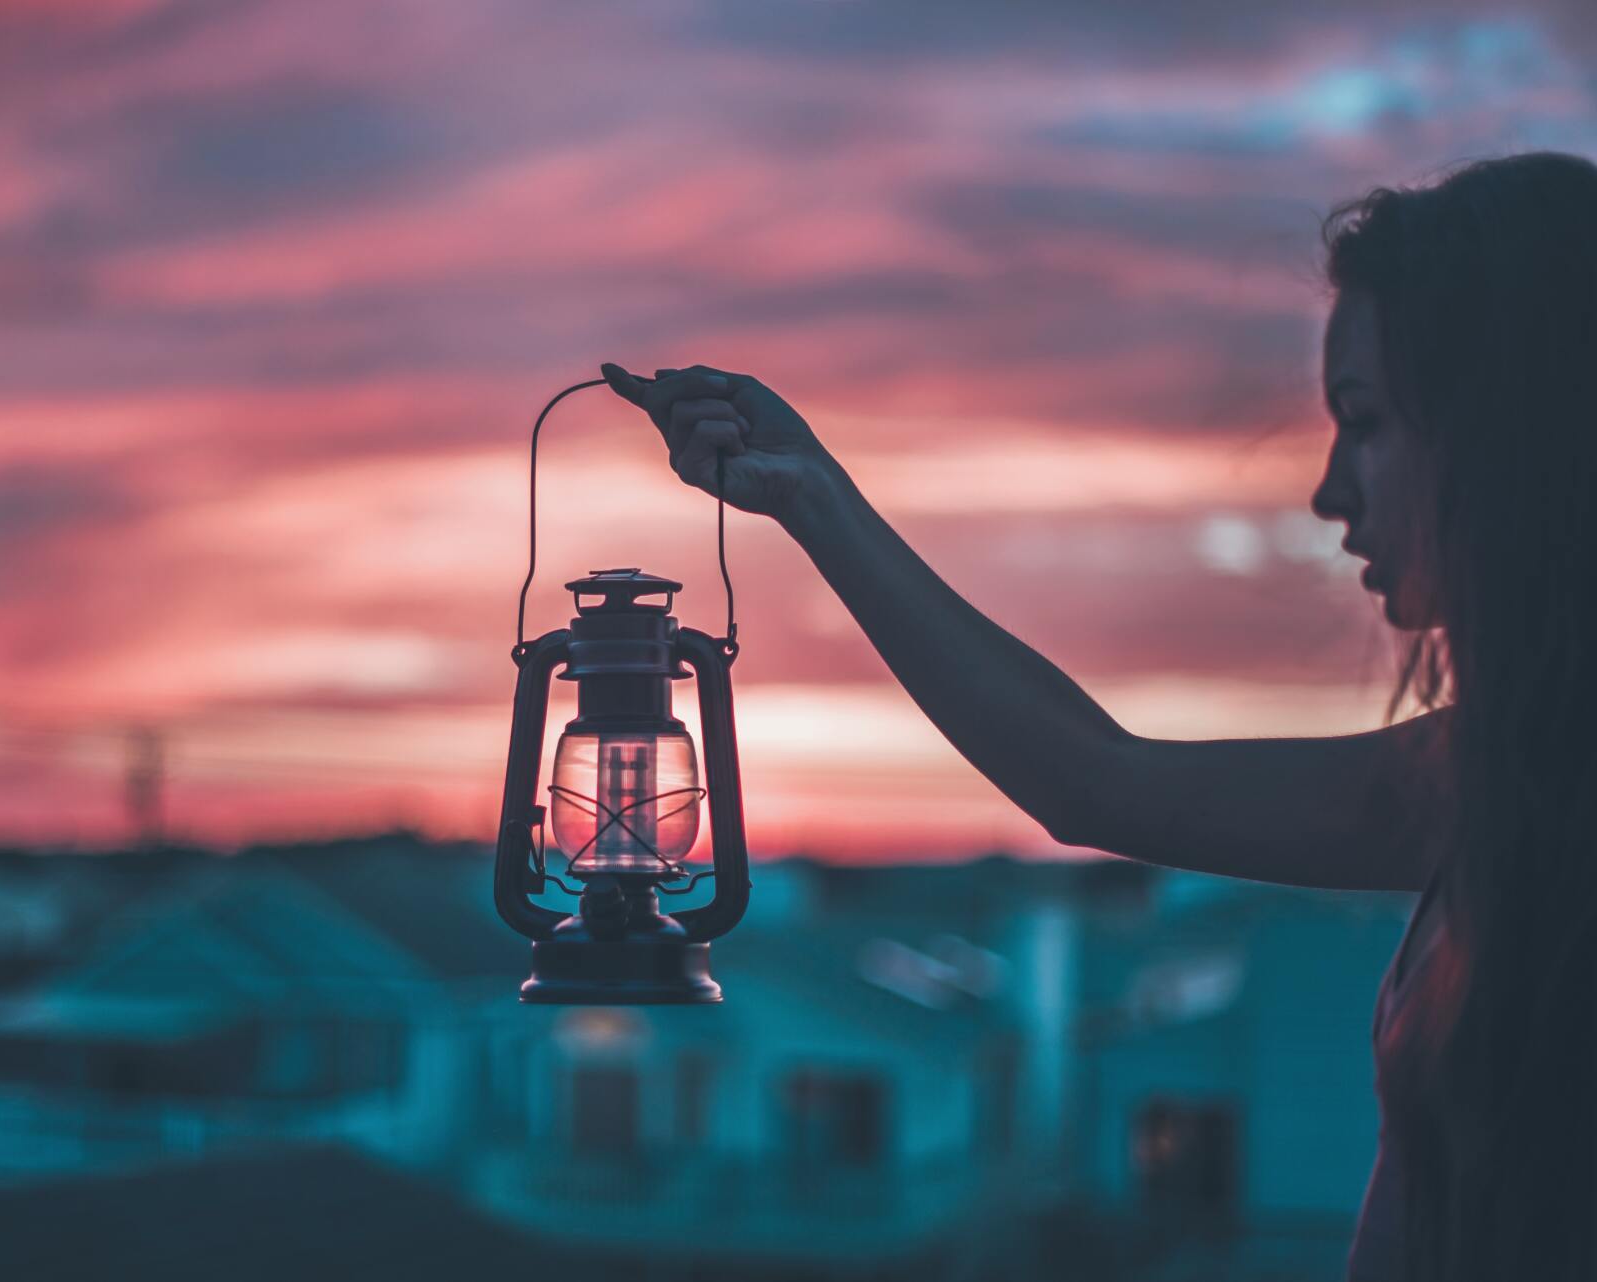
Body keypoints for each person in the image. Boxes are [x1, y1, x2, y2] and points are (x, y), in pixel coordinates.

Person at [602, 150, 1597, 1281]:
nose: (1329, 490)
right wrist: (812, 493)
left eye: (1364, 421)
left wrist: (814, 495)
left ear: (1508, 431)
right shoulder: (1495, 776)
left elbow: (1096, 784)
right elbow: (1093, 782)